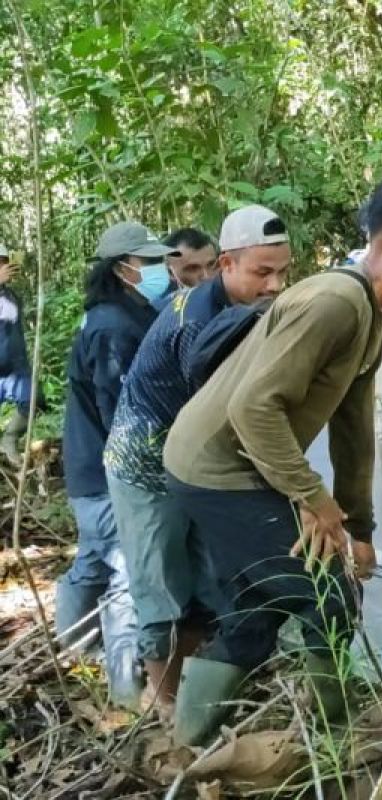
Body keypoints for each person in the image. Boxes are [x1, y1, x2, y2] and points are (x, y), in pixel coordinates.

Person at [162, 177, 382, 746]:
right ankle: (336, 737)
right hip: (216, 468)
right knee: (329, 594)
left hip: (245, 464)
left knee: (258, 614)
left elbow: (352, 428)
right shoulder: (333, 302)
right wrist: (315, 502)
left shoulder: (367, 314)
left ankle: (182, 747)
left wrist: (359, 525)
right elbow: (253, 408)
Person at [103, 206, 291, 712]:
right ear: (227, 264)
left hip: (194, 464)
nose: (274, 285)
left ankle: (198, 691)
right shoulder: (198, 323)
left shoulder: (242, 310)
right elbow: (234, 410)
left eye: (283, 272)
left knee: (209, 583)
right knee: (160, 590)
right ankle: (162, 709)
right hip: (145, 470)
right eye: (261, 272)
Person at [59, 222, 178, 709]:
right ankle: (126, 688)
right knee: (126, 570)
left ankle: (70, 644)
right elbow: (120, 411)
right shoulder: (111, 326)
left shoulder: (121, 315)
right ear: (122, 269)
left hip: (88, 467)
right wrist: (143, 469)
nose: (159, 271)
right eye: (148, 263)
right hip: (108, 470)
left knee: (94, 557)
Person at [0, 245, 33, 464]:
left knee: (32, 398)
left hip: (13, 366)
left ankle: (9, 439)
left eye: (5, 261)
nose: (4, 266)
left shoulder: (10, 296)